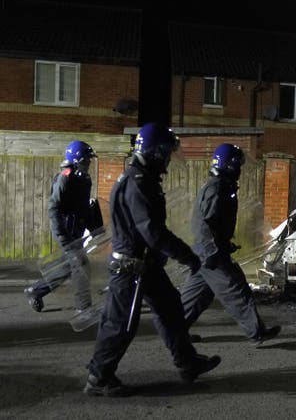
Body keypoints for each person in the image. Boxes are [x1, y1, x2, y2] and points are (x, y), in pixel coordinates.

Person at [84, 123, 220, 397]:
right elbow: (153, 232)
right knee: (120, 323)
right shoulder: (139, 183)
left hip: (145, 265)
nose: (169, 158)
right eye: (166, 152)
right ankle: (99, 378)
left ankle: (188, 363)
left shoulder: (139, 178)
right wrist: (187, 256)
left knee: (171, 310)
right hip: (131, 267)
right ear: (155, 151)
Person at [181, 143, 281, 345]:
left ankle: (175, 331)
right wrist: (213, 251)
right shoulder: (217, 188)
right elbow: (204, 224)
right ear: (230, 165)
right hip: (210, 255)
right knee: (236, 289)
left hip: (207, 253)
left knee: (197, 296)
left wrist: (223, 245)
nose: (240, 170)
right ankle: (256, 333)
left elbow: (214, 224)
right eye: (238, 166)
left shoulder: (221, 186)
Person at [24, 140, 100, 312]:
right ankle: (84, 307)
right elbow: (53, 208)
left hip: (77, 230)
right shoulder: (64, 178)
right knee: (80, 265)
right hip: (65, 230)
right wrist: (61, 235)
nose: (89, 163)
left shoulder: (85, 179)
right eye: (86, 160)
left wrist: (93, 227)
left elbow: (83, 207)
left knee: (69, 266)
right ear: (77, 160)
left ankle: (35, 290)